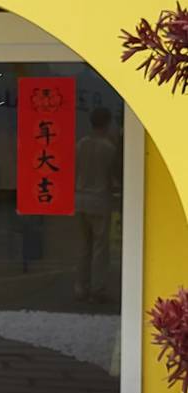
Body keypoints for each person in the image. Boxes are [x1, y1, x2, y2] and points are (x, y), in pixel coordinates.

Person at [74, 106, 119, 302]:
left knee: (83, 246)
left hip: (80, 199)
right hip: (100, 200)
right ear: (107, 124)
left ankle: (80, 287)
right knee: (100, 248)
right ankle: (97, 289)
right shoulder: (109, 148)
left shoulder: (81, 144)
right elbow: (113, 177)